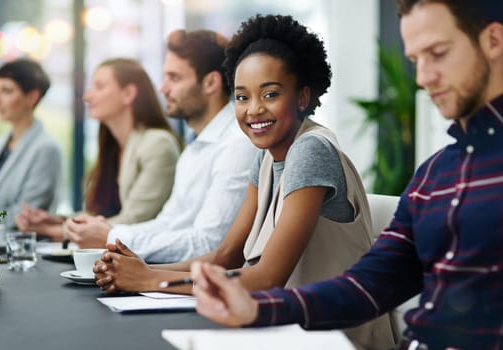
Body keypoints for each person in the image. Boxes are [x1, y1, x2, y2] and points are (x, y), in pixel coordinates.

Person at [190, 2, 503, 349]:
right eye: (416, 61)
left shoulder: (314, 149)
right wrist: (255, 307)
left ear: (493, 41)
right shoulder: (434, 176)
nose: (423, 78)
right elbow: (369, 286)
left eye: (438, 53)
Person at [94, 15, 395, 350]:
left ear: (302, 97)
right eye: (241, 97)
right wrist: (141, 267)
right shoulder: (265, 155)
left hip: (336, 338)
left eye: (270, 94)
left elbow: (267, 278)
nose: (254, 110)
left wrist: (151, 279)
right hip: (284, 330)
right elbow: (226, 255)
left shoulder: (311, 150)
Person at [64, 30, 257, 256]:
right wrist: (109, 230)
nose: (163, 88)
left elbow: (209, 243)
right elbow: (168, 223)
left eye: (174, 78)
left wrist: (111, 237)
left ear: (210, 83)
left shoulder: (236, 144)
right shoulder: (194, 147)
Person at [15, 58, 180, 242]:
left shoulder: (158, 144)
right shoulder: (114, 146)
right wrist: (59, 220)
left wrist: (54, 230)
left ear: (128, 94)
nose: (87, 96)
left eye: (99, 87)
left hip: (145, 262)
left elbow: (133, 220)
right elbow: (100, 214)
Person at [0, 58, 62, 229]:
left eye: (7, 91)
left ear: (32, 97)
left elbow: (26, 216)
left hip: (14, 249)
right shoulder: (3, 142)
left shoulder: (46, 149)